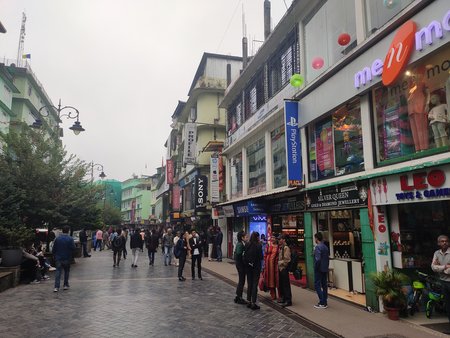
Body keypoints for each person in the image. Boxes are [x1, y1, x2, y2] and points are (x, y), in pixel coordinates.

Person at [431, 234, 450, 323]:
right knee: (448, 305)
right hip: (443, 282)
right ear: (438, 243)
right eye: (442, 241)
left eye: (446, 241)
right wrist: (445, 267)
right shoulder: (436, 253)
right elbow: (433, 267)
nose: (445, 243)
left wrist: (440, 268)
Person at [52, 226, 76, 292]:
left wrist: (54, 255)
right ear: (68, 231)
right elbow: (74, 248)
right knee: (66, 271)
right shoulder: (70, 239)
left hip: (58, 257)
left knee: (58, 271)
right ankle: (65, 285)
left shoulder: (57, 239)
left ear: (62, 230)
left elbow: (54, 248)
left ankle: (56, 287)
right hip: (67, 257)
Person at [245, 231, 263, 310]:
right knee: (255, 284)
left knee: (249, 283)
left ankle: (248, 301)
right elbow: (261, 257)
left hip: (248, 266)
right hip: (256, 266)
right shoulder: (258, 245)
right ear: (257, 237)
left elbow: (245, 254)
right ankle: (253, 302)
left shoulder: (247, 244)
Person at [314, 232, 330, 309]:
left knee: (317, 285)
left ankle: (322, 301)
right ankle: (325, 301)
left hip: (319, 268)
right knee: (324, 285)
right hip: (325, 268)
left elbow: (318, 259)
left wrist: (316, 267)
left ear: (317, 238)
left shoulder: (318, 247)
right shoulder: (325, 247)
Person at [233, 231, 248, 305]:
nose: (247, 238)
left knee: (241, 281)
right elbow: (238, 254)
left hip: (240, 264)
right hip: (240, 265)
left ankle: (238, 296)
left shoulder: (241, 244)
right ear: (242, 238)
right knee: (241, 281)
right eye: (246, 237)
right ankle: (239, 297)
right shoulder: (240, 244)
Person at [278, 234, 292, 307]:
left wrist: (279, 263)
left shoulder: (286, 248)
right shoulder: (281, 248)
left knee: (286, 285)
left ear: (284, 240)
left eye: (280, 239)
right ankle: (284, 298)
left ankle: (288, 300)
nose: (279, 240)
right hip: (281, 268)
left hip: (284, 268)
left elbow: (287, 260)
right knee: (282, 284)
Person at [264, 236, 280, 301]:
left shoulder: (278, 247)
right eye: (272, 237)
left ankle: (280, 296)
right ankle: (273, 295)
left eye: (274, 237)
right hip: (268, 267)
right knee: (270, 281)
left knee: (278, 281)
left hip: (276, 267)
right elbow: (265, 255)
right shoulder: (268, 246)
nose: (272, 239)